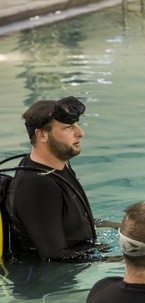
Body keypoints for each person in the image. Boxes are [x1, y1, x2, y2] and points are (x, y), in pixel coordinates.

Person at [4, 96, 100, 261]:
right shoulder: (37, 185)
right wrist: (118, 260)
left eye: (77, 125)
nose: (80, 133)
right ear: (41, 135)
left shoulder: (58, 167)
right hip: (45, 281)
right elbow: (55, 256)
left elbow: (70, 220)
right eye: (68, 127)